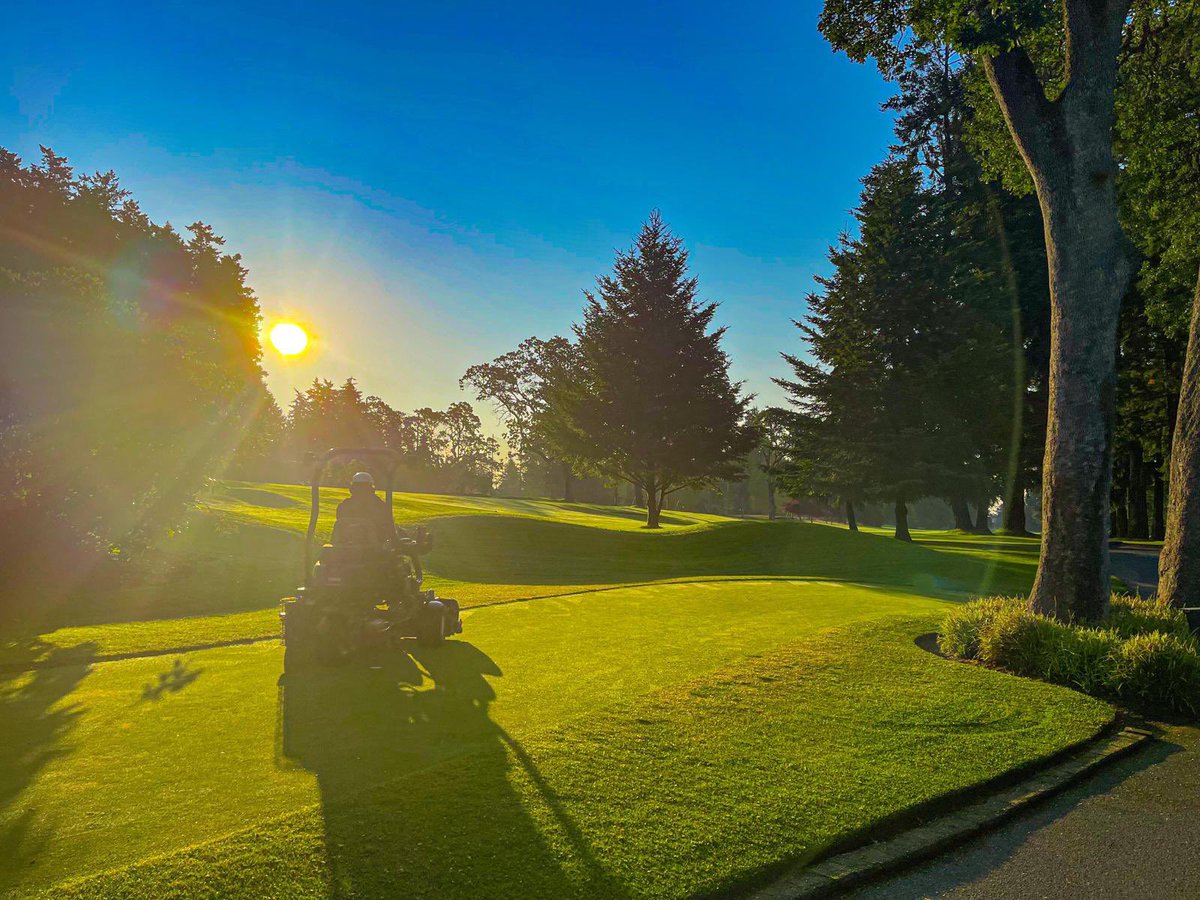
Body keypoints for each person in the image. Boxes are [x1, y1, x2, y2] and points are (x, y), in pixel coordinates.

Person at [332, 471, 397, 547]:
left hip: (346, 542)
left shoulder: (344, 505)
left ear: (352, 488)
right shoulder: (379, 505)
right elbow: (386, 524)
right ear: (371, 488)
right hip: (373, 544)